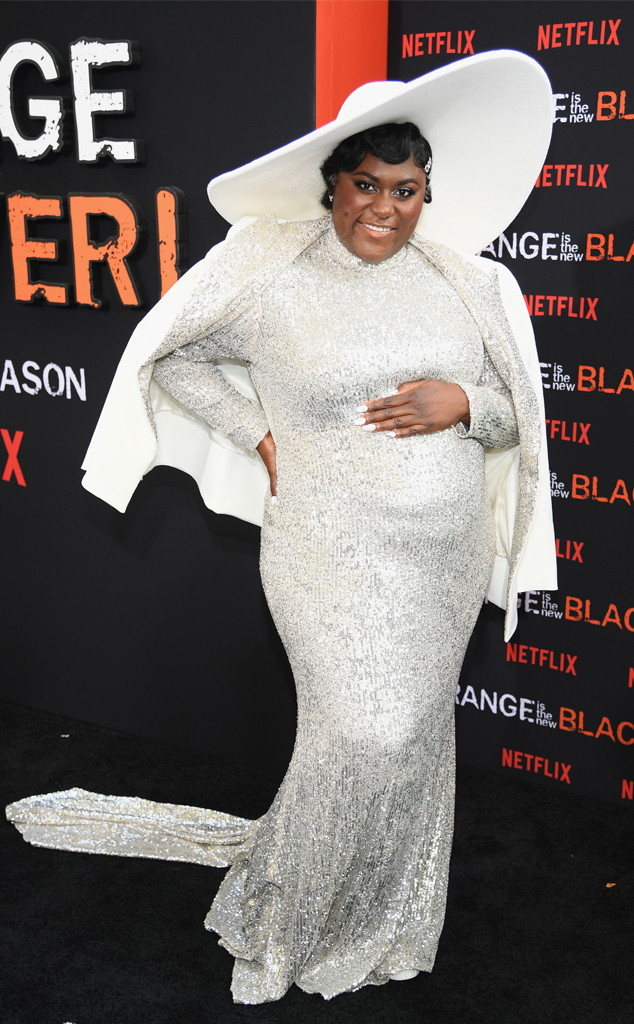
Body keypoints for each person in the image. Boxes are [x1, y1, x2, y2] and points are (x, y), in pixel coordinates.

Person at [7, 51, 557, 1004]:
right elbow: (170, 355)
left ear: (429, 193)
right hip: (323, 550)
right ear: (332, 183)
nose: (385, 208)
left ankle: (389, 914)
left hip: (440, 556)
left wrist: (461, 400)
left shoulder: (471, 284)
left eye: (409, 190)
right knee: (361, 734)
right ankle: (288, 918)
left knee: (415, 737)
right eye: (367, 185)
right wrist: (255, 433)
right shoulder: (267, 273)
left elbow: (519, 415)